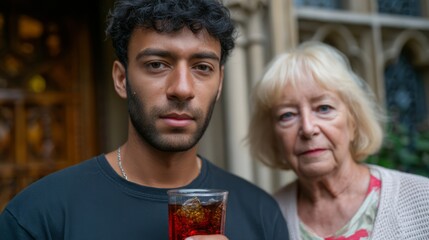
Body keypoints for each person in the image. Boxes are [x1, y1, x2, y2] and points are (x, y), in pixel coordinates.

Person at [0, 0, 289, 239]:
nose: (182, 89)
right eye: (157, 65)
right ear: (121, 79)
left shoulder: (261, 214)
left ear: (220, 83)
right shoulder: (38, 216)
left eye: (202, 67)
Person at [247, 41, 429, 239]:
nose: (308, 128)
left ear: (353, 121)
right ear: (274, 136)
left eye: (324, 108)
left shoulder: (422, 200)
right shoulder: (264, 220)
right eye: (287, 115)